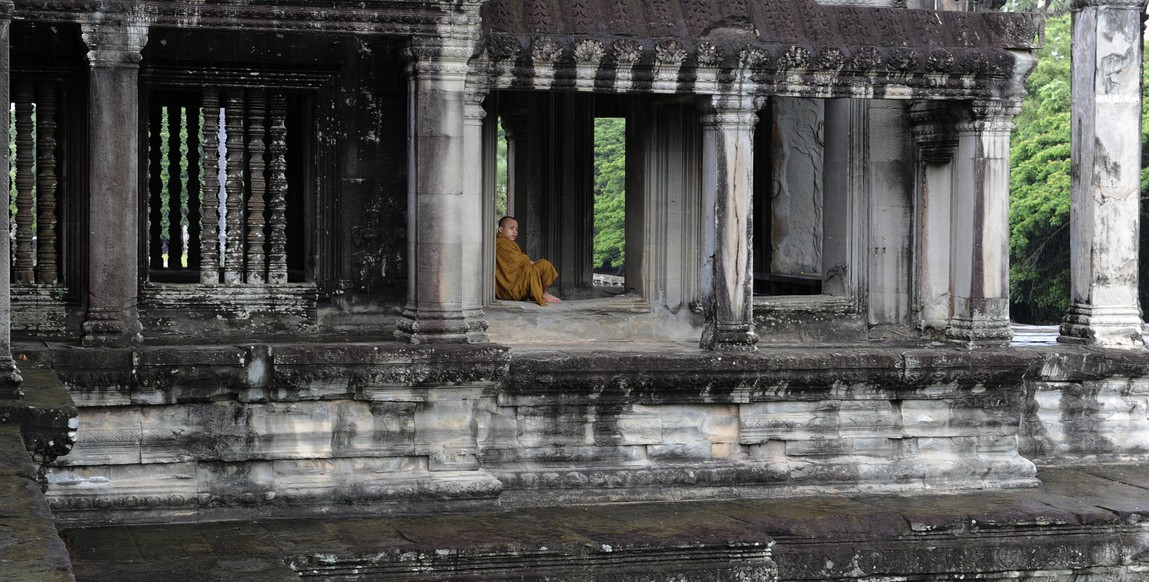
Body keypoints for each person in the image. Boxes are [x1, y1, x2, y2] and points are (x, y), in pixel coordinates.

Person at [495, 216, 561, 305]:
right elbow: (519, 261)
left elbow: (518, 263)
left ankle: (540, 292)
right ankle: (544, 294)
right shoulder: (501, 244)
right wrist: (535, 265)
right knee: (545, 265)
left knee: (539, 266)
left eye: (516, 229)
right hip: (512, 290)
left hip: (508, 290)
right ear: (501, 230)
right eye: (511, 228)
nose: (515, 232)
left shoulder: (507, 243)